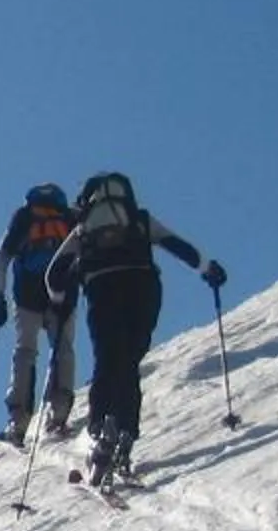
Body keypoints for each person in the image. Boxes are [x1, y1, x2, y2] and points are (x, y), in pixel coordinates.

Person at [44, 171, 226, 480]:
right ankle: (125, 432)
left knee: (106, 359)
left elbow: (53, 275)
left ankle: (102, 427)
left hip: (102, 289)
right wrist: (207, 268)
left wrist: (59, 299)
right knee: (128, 361)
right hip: (143, 288)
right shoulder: (139, 219)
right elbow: (177, 245)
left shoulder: (83, 228)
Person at [0, 182, 79, 443]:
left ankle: (19, 422)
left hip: (27, 297)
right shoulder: (70, 218)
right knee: (63, 349)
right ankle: (59, 412)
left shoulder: (25, 218)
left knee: (25, 352)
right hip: (64, 297)